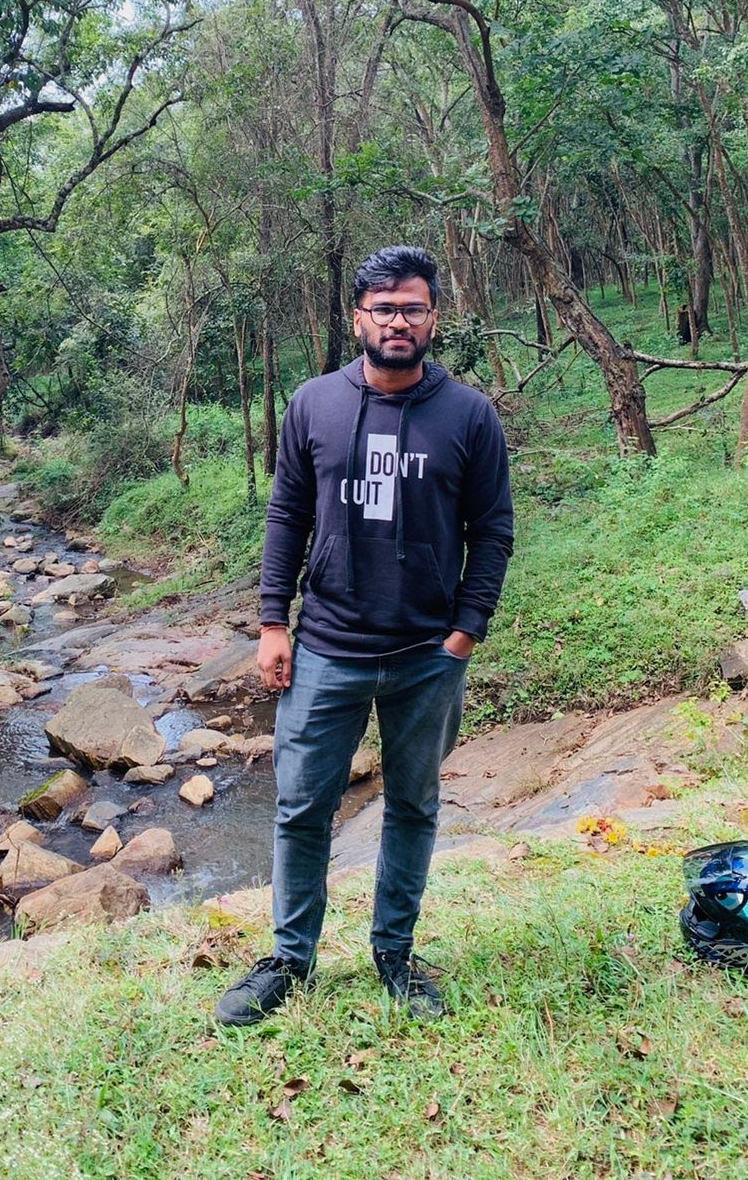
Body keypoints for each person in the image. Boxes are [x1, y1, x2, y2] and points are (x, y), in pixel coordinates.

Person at [215, 245, 514, 1026]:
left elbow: (493, 530)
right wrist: (273, 621)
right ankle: (290, 959)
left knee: (412, 807)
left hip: (427, 657)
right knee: (301, 808)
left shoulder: (469, 415)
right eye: (384, 309)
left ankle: (396, 956)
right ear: (358, 319)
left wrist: (466, 631)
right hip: (326, 649)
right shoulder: (313, 403)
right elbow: (287, 514)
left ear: (434, 318)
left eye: (413, 308)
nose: (398, 322)